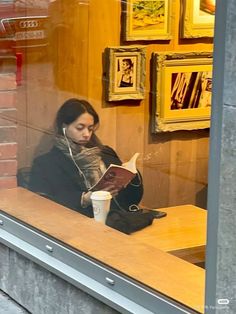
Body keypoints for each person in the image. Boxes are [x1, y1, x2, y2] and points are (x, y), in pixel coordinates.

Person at [29, 98, 143, 218]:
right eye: (80, 128)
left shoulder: (105, 153)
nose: (86, 134)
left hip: (116, 220)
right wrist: (84, 199)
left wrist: (132, 177)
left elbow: (132, 200)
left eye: (90, 129)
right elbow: (41, 205)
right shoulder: (46, 164)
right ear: (64, 127)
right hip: (75, 226)